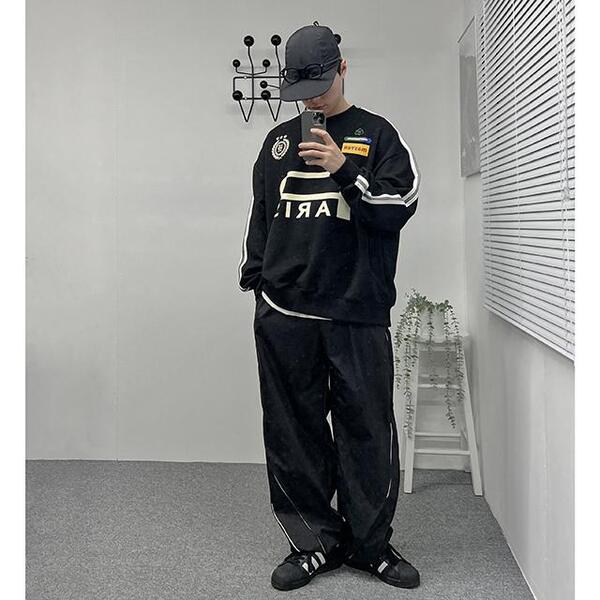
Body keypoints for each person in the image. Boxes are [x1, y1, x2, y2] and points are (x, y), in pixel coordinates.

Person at [237, 22, 421, 591]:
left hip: (355, 313)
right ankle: (313, 543)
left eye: (319, 86)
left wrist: (343, 168)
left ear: (343, 68)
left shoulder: (379, 135)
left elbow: (397, 207)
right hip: (286, 315)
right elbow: (263, 215)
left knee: (365, 430)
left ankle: (370, 546)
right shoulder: (276, 144)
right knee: (293, 433)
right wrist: (257, 280)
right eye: (302, 91)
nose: (311, 101)